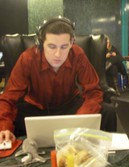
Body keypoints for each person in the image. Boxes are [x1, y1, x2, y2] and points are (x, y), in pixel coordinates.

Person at [0, 16, 117, 145]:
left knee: (108, 111)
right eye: (51, 46)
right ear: (41, 43)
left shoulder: (77, 54)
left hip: (69, 107)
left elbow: (94, 92)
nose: (57, 54)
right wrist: (4, 127)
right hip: (35, 108)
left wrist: (80, 119)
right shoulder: (27, 58)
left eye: (64, 47)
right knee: (8, 117)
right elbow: (8, 97)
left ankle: (109, 152)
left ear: (72, 43)